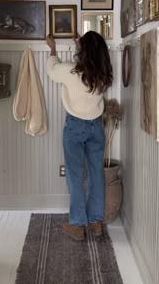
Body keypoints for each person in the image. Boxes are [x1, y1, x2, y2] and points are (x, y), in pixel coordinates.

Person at [46, 31, 113, 241]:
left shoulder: (71, 72)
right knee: (96, 175)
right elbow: (87, 70)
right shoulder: (102, 75)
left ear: (83, 52)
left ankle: (77, 225)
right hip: (96, 127)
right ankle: (95, 223)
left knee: (75, 176)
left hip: (75, 127)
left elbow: (52, 70)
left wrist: (53, 49)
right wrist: (80, 46)